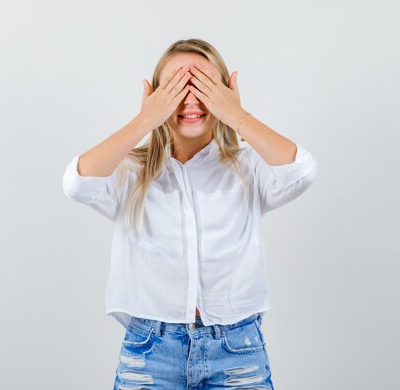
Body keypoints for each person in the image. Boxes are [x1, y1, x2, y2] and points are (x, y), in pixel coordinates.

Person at [62, 38, 318, 390]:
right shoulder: (131, 173)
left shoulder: (247, 168)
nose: (191, 99)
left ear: (226, 92)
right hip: (151, 350)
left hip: (237, 349)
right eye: (176, 87)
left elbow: (302, 171)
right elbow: (78, 183)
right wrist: (144, 121)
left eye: (204, 86)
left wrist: (237, 116)